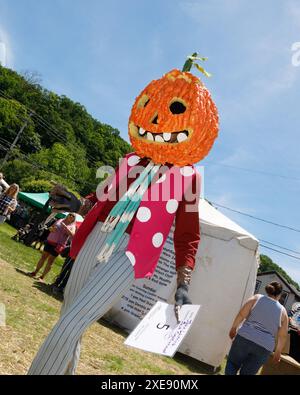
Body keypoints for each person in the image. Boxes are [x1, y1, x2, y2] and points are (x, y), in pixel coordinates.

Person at [28, 55, 219, 375]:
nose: (160, 120)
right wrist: (79, 204)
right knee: (68, 320)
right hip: (97, 236)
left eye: (173, 111)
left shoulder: (188, 177)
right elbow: (102, 198)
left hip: (132, 252)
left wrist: (183, 283)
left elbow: (188, 235)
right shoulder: (130, 159)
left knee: (74, 321)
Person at [225, 281, 289, 375]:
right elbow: (282, 336)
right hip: (264, 347)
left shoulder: (256, 298)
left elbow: (241, 314)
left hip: (244, 337)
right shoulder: (283, 312)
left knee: (232, 364)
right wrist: (278, 352)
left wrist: (234, 328)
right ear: (279, 295)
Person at [28, 214, 76, 281]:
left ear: (74, 219)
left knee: (50, 261)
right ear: (68, 215)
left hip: (58, 245)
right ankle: (34, 272)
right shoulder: (60, 220)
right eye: (70, 215)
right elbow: (51, 227)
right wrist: (51, 229)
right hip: (50, 241)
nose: (71, 216)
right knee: (43, 257)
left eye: (73, 216)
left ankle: (42, 277)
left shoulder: (72, 226)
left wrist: (65, 227)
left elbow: (72, 234)